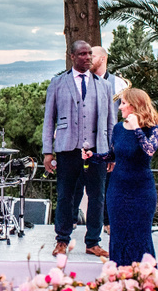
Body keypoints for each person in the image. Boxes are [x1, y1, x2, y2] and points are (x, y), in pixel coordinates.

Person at [42, 40, 117, 258]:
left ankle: (93, 241)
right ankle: (62, 240)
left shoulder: (104, 85)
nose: (87, 58)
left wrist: (111, 152)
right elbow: (49, 120)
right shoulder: (57, 83)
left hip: (98, 150)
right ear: (72, 56)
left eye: (90, 54)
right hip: (67, 149)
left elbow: (111, 122)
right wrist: (48, 152)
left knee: (97, 196)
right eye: (83, 54)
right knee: (65, 195)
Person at [106, 88, 158, 266]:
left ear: (134, 105)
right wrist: (93, 156)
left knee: (140, 234)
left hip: (142, 190)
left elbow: (149, 150)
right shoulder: (117, 128)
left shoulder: (153, 129)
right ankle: (119, 281)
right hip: (118, 188)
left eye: (123, 103)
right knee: (118, 234)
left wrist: (136, 127)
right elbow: (112, 156)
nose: (120, 107)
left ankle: (144, 281)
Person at [91, 45, 129, 234]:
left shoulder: (119, 84)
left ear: (104, 58)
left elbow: (126, 117)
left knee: (108, 184)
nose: (89, 58)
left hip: (107, 140)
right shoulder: (83, 80)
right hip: (86, 140)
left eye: (93, 55)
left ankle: (108, 221)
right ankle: (73, 220)